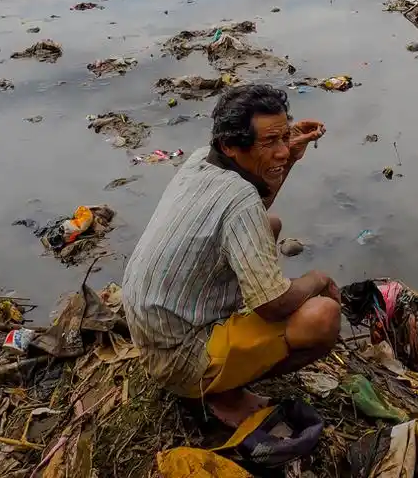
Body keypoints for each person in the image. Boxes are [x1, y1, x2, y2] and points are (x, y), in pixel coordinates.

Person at [122, 84, 340, 427]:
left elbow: (256, 207)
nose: (282, 151)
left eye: (285, 137)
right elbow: (273, 306)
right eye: (270, 142)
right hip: (182, 359)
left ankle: (222, 372)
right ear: (230, 145)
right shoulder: (238, 198)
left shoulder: (201, 162)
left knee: (270, 224)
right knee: (323, 316)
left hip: (157, 333)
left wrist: (289, 155)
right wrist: (318, 280)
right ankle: (222, 392)